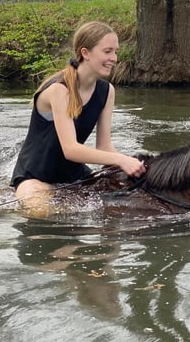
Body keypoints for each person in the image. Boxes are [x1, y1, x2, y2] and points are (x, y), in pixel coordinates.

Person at [10, 21, 146, 213]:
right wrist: (122, 159)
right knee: (41, 214)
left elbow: (104, 147)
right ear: (85, 53)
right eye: (107, 51)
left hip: (75, 177)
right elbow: (70, 149)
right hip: (36, 178)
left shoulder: (107, 91)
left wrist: (131, 169)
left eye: (115, 51)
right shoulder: (59, 89)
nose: (114, 58)